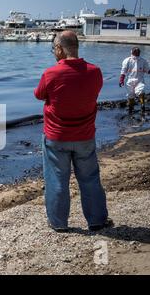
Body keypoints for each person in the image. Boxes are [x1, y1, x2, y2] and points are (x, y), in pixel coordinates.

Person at [34, 31, 113, 233]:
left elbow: (39, 95)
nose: (54, 53)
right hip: (84, 136)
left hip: (56, 136)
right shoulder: (94, 72)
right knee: (90, 179)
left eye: (54, 49)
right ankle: (97, 221)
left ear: (60, 48)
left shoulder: (51, 73)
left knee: (56, 180)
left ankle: (58, 223)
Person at [119, 47, 150, 114]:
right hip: (129, 81)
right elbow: (123, 71)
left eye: (138, 51)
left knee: (141, 91)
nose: (137, 52)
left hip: (139, 80)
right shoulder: (127, 60)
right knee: (131, 95)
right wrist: (121, 80)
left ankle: (142, 106)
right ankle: (130, 108)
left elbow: (147, 70)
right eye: (135, 51)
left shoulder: (143, 61)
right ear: (132, 52)